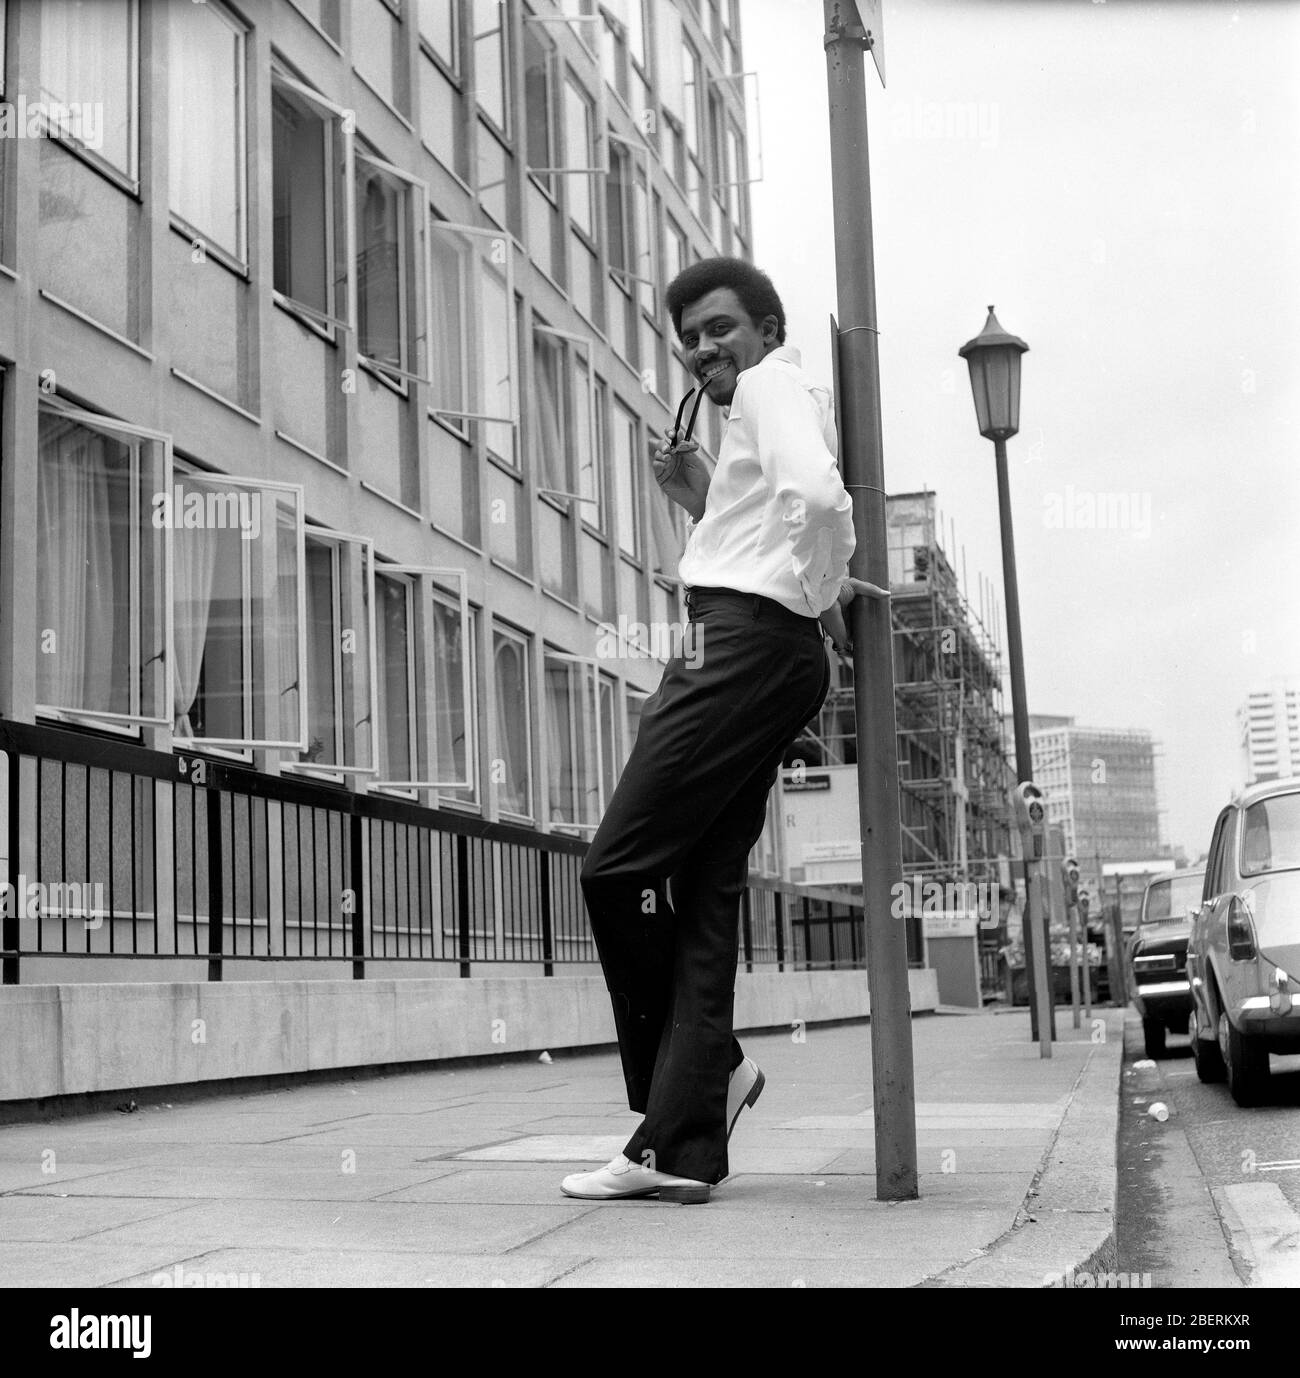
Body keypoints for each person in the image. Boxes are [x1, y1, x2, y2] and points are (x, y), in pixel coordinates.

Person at [562, 257, 885, 1205]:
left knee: (615, 866)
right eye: (689, 339)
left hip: (737, 649)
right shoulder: (754, 407)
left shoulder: (773, 384)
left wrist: (823, 592)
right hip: (756, 646)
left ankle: (706, 1073)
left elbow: (821, 504)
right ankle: (683, 1145)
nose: (702, 349)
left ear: (767, 328)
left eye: (718, 329)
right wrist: (701, 494)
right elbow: (766, 537)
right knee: (702, 894)